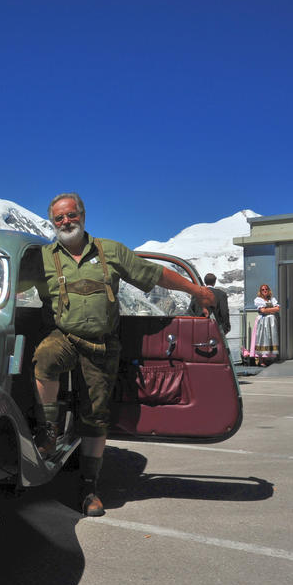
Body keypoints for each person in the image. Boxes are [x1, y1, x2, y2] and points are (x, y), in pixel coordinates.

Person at [30, 193, 214, 517]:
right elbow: (7, 281)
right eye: (59, 218)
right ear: (52, 222)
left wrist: (195, 290)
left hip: (102, 344)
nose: (65, 222)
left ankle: (89, 488)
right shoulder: (43, 257)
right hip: (65, 337)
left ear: (82, 216)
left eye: (70, 215)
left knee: (96, 416)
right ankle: (48, 432)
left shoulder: (110, 251)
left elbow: (154, 274)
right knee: (44, 357)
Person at [247, 284, 280, 366]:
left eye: (266, 289)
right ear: (260, 291)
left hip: (271, 322)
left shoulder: (272, 299)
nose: (265, 290)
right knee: (261, 338)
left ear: (269, 290)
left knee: (270, 339)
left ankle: (267, 358)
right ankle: (261, 360)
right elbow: (263, 310)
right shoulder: (258, 300)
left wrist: (267, 310)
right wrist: (271, 310)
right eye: (263, 289)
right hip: (262, 321)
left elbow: (277, 309)